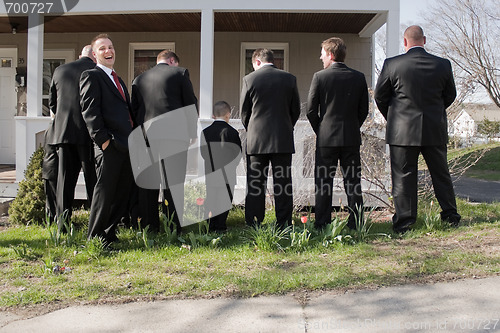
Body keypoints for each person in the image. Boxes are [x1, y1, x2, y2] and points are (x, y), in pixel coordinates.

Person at [374, 25, 461, 233]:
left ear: (405, 42)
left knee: (403, 176)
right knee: (440, 174)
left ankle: (405, 222)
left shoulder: (392, 64)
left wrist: (393, 117)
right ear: (424, 40)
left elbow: (380, 96)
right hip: (434, 129)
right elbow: (450, 95)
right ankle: (450, 216)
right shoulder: (443, 65)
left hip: (401, 131)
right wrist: (435, 112)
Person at [131, 50, 198, 232]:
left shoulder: (139, 79)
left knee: (149, 184)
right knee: (174, 183)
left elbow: (134, 109)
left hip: (146, 137)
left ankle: (149, 225)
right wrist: (192, 132)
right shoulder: (180, 73)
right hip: (174, 135)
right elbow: (190, 103)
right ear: (172, 61)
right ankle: (173, 226)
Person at [306, 37, 369, 230]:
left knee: (324, 182)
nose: (320, 57)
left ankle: (322, 223)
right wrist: (352, 126)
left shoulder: (320, 77)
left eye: (323, 53)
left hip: (326, 139)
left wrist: (322, 130)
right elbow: (364, 110)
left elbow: (310, 110)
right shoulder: (358, 77)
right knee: (353, 182)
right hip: (351, 137)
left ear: (331, 55)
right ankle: (356, 223)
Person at [80, 34, 135, 243]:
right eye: (102, 48)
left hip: (126, 145)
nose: (108, 51)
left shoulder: (118, 79)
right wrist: (103, 141)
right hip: (109, 146)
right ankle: (95, 237)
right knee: (104, 195)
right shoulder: (91, 76)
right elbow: (90, 112)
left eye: (110, 47)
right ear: (95, 54)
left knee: (121, 195)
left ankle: (109, 234)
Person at [240, 48, 301, 228]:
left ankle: (254, 223)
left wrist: (251, 129)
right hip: (282, 139)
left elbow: (245, 112)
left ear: (257, 62)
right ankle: (284, 223)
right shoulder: (289, 79)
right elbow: (295, 110)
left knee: (255, 184)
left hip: (257, 140)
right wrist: (286, 126)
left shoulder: (249, 79)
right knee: (283, 184)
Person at [48, 45, 97, 229]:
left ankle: (62, 224)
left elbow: (53, 103)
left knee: (64, 181)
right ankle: (95, 223)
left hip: (63, 133)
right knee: (93, 180)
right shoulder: (95, 70)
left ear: (79, 56)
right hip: (88, 134)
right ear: (94, 55)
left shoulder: (60, 70)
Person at [200, 101, 242, 232]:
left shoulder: (205, 132)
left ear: (213, 115)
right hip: (228, 173)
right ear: (228, 115)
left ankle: (210, 225)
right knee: (225, 200)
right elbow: (238, 154)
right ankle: (221, 225)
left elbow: (203, 153)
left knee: (211, 198)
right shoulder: (233, 132)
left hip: (211, 172)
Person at [42, 119, 58, 224]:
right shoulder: (55, 130)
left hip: (47, 167)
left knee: (49, 199)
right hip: (53, 166)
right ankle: (54, 221)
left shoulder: (48, 130)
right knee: (55, 198)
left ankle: (49, 221)